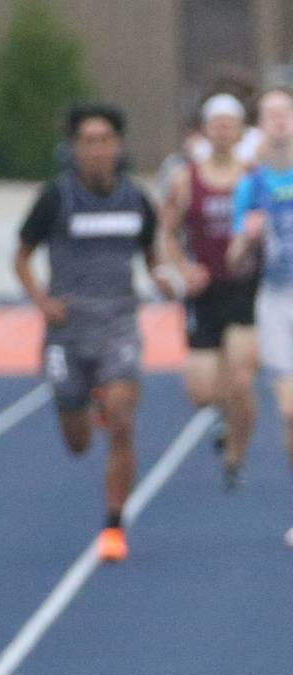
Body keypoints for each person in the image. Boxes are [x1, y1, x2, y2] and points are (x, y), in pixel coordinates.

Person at [14, 103, 175, 563]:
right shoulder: (55, 198)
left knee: (124, 419)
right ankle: (89, 404)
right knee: (78, 441)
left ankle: (113, 525)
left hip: (119, 320)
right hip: (67, 327)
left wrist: (160, 275)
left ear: (118, 146)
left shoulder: (136, 198)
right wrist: (42, 300)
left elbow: (150, 254)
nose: (98, 150)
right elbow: (21, 257)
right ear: (73, 148)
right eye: (88, 141)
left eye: (106, 140)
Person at [160, 93, 259, 488]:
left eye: (229, 124)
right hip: (203, 292)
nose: (221, 130)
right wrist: (182, 267)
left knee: (240, 378)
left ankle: (236, 452)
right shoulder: (186, 179)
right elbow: (166, 230)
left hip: (242, 289)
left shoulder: (253, 176)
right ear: (205, 130)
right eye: (215, 123)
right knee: (202, 392)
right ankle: (225, 416)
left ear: (239, 132)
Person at [229, 86, 293, 547]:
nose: (279, 121)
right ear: (260, 125)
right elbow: (234, 260)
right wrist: (246, 239)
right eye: (270, 114)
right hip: (275, 300)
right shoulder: (249, 185)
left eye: (286, 113)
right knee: (291, 413)